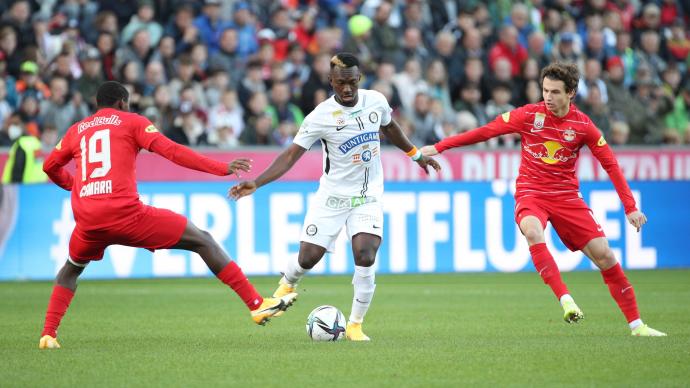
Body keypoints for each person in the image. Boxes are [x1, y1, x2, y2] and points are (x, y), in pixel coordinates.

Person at [38, 81, 297, 350]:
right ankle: (256, 304)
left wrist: (75, 185)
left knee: (71, 269)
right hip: (125, 214)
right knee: (203, 240)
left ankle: (48, 334)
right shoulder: (132, 122)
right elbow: (172, 151)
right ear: (122, 104)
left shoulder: (76, 130)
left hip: (88, 221)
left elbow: (49, 166)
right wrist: (222, 168)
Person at [421, 62, 666, 337]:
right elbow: (485, 131)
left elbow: (610, 165)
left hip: (566, 197)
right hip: (531, 192)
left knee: (605, 255)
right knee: (532, 231)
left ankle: (637, 325)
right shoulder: (529, 115)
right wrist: (441, 146)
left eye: (555, 92)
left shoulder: (584, 126)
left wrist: (630, 207)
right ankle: (566, 300)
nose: (548, 97)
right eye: (545, 90)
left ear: (571, 92)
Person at [229, 53, 441, 341]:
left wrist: (416, 155)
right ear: (331, 81)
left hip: (368, 196)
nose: (347, 89)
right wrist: (258, 182)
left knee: (365, 255)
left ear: (359, 80)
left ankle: (355, 324)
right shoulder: (320, 116)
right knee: (308, 257)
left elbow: (389, 127)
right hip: (332, 197)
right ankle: (288, 283)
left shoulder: (376, 101)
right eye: (341, 83)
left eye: (352, 82)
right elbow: (291, 155)